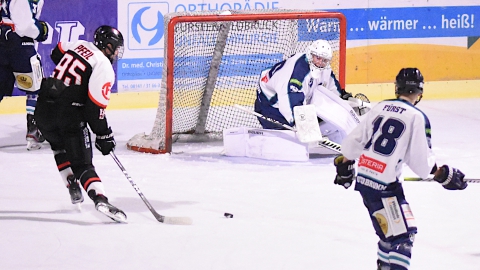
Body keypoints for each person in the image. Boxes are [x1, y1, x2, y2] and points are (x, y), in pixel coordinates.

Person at [333, 68, 468, 270]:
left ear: (397, 88)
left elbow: (351, 145)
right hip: (386, 189)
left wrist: (344, 164)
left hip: (365, 183)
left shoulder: (380, 107)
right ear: (420, 92)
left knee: (388, 235)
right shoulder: (417, 117)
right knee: (403, 237)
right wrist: (444, 175)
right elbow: (423, 164)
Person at [34, 25, 126, 223]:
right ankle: (100, 199)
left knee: (59, 147)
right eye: (116, 48)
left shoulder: (79, 44)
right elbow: (94, 110)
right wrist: (104, 135)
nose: (117, 53)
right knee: (83, 165)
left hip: (42, 110)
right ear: (107, 47)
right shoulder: (103, 66)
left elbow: (55, 52)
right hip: (68, 114)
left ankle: (70, 182)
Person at [254, 39, 363, 144]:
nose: (320, 63)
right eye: (318, 58)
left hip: (291, 98)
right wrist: (302, 126)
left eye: (324, 60)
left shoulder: (325, 69)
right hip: (270, 104)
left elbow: (332, 90)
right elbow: (288, 98)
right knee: (287, 143)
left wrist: (345, 101)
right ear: (311, 55)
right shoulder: (298, 73)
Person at [0, 0, 49, 150]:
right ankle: (34, 130)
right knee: (36, 87)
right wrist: (41, 30)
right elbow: (25, 26)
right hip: (19, 44)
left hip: (3, 42)